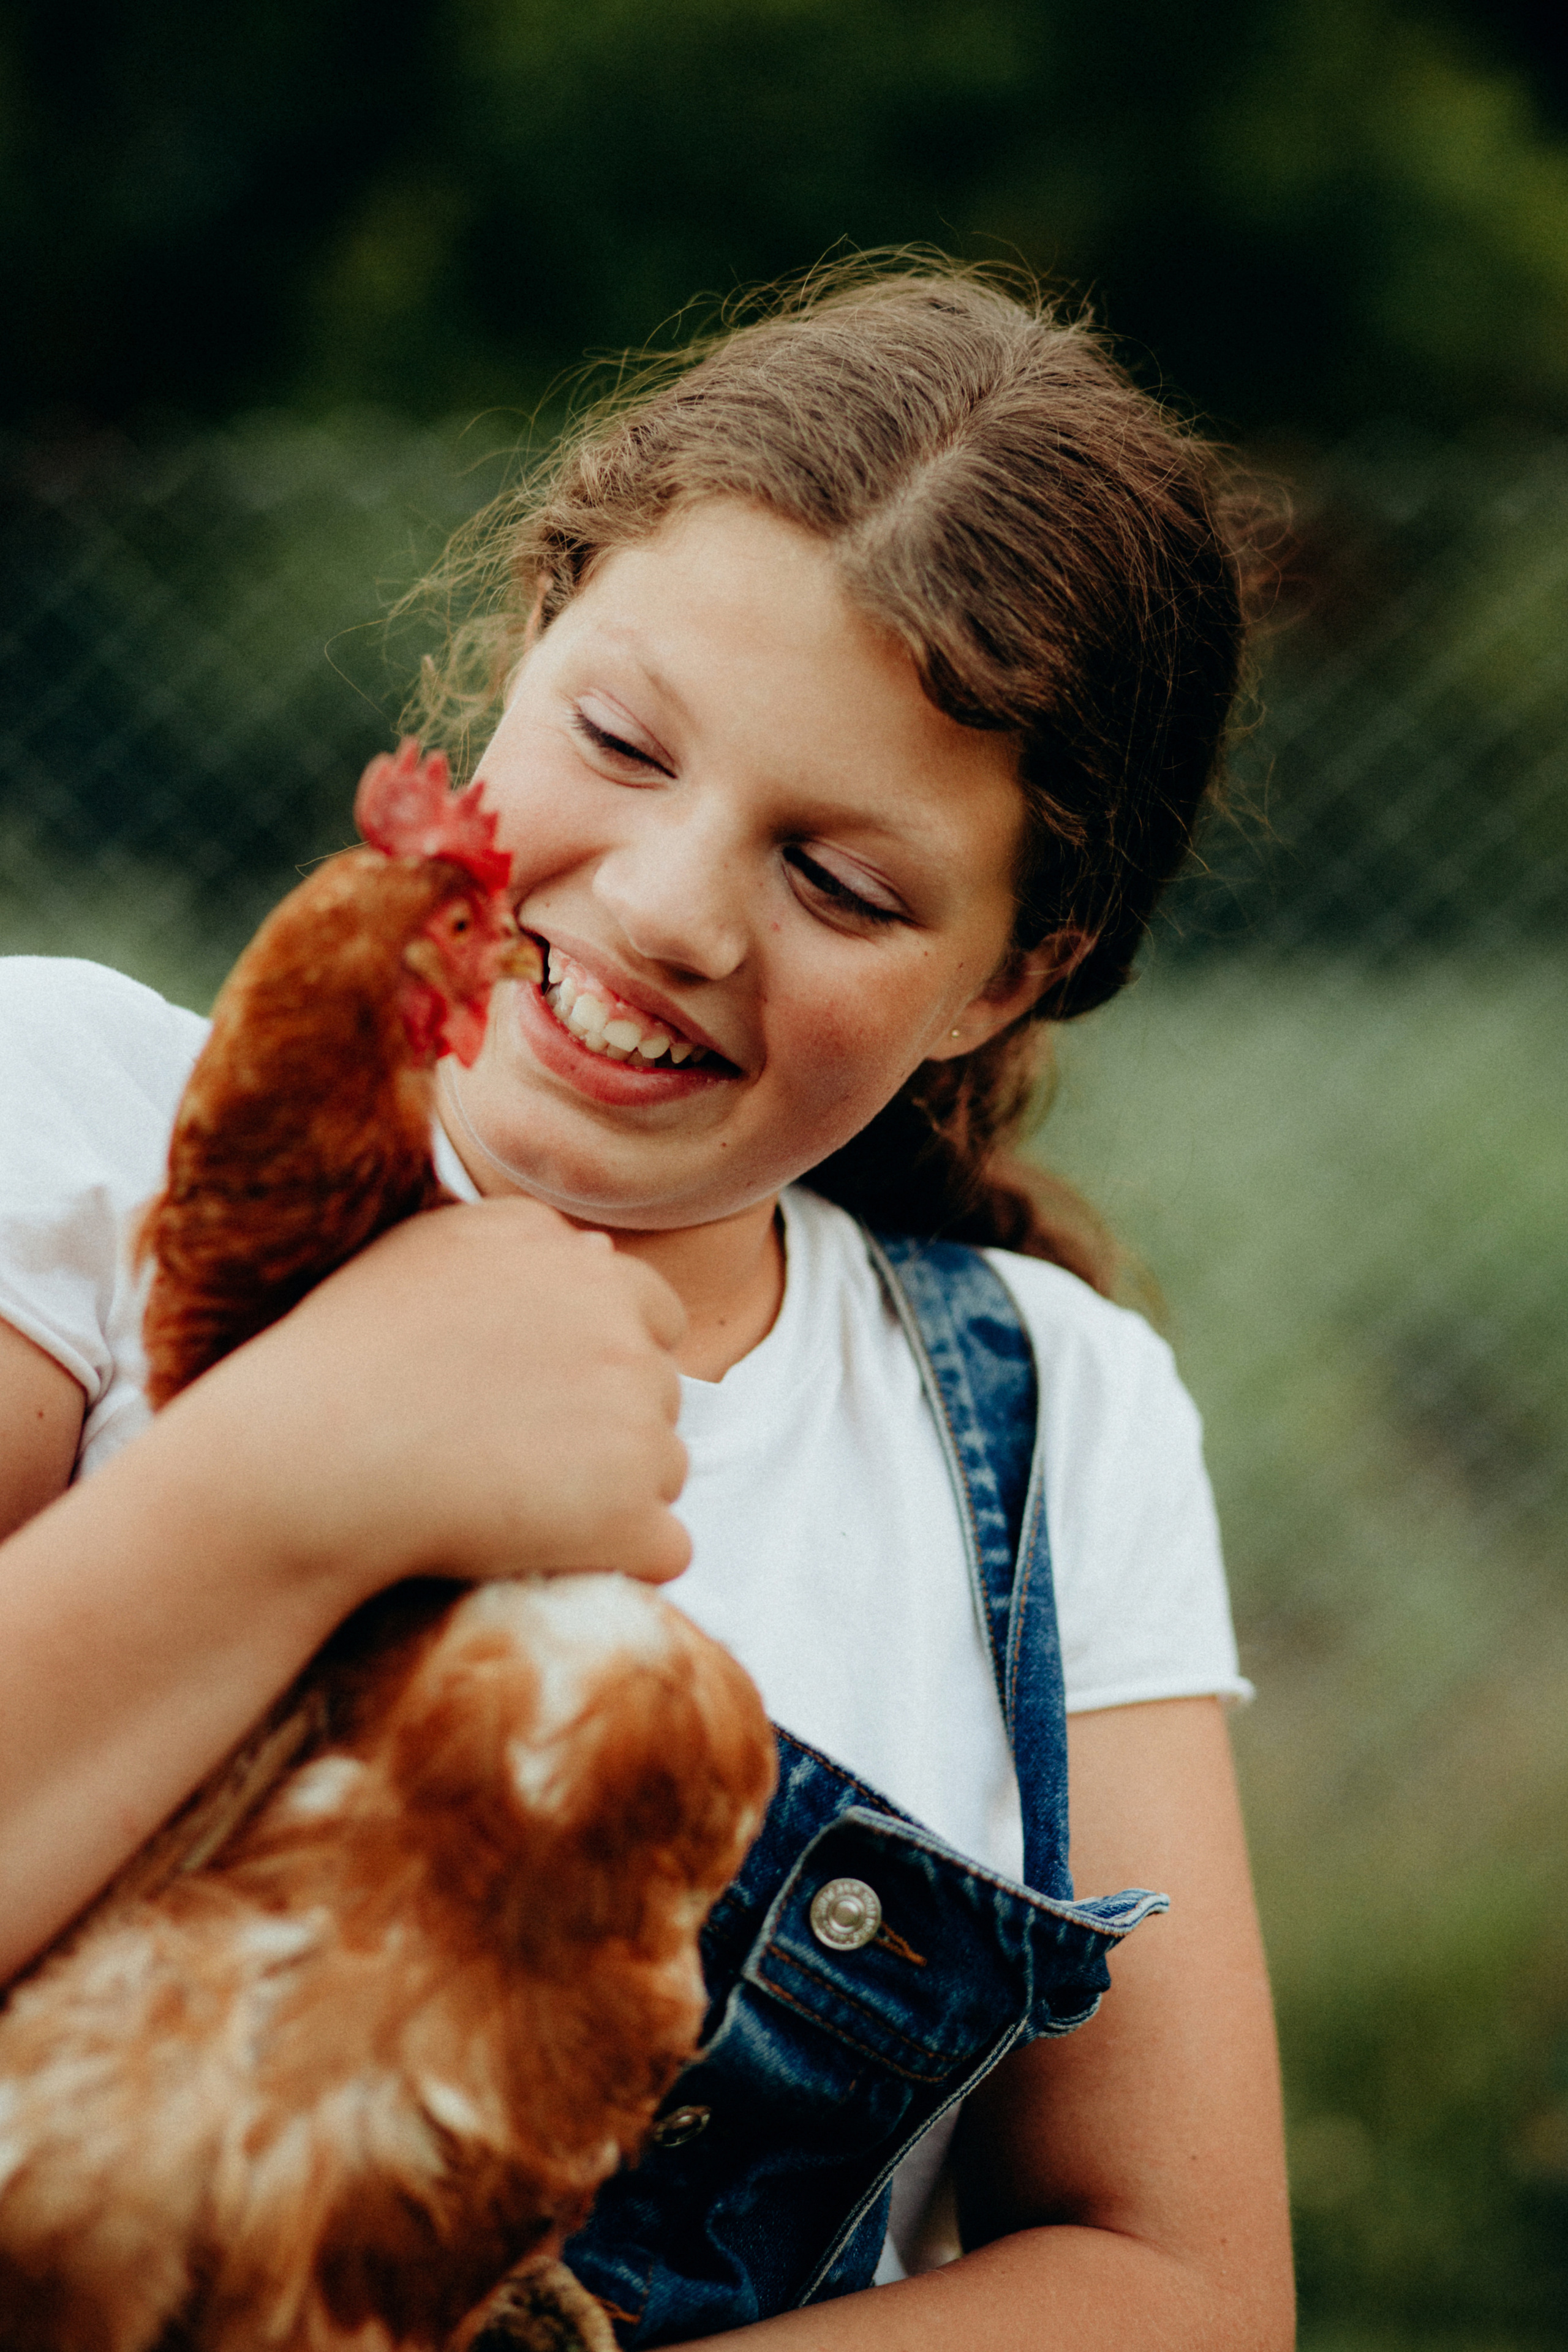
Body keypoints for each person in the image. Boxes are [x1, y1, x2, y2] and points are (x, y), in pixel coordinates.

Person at [0, 263, 1293, 2348]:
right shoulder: (63, 1136)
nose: (673, 908)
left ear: (1009, 975)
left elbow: (1178, 2287)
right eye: (620, 741)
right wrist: (291, 1476)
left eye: (843, 884)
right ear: (526, 639)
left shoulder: (1051, 1422)